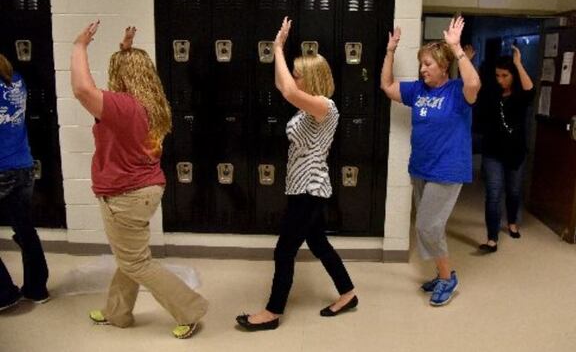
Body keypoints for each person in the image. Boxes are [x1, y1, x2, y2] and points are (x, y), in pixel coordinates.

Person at [70, 22, 208, 339]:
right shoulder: (151, 103)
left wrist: (79, 47)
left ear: (121, 75)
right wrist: (126, 51)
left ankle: (190, 309)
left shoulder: (123, 107)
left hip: (124, 195)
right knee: (129, 257)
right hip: (146, 189)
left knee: (137, 262)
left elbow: (81, 89)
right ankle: (117, 313)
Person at [236, 17, 357, 331]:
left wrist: (278, 49)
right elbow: (283, 85)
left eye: (299, 73)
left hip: (310, 189)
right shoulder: (308, 108)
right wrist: (278, 47)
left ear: (312, 78)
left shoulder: (324, 107)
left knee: (284, 250)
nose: (293, 77)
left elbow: (287, 89)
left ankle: (272, 312)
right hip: (301, 187)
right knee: (318, 244)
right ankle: (348, 293)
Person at [380, 17, 481, 306]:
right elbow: (387, 86)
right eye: (421, 64)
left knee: (428, 226)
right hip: (421, 168)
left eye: (428, 64)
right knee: (428, 225)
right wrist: (390, 51)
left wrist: (456, 48)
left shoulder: (458, 92)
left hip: (448, 170)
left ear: (443, 66)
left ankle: (448, 278)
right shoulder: (418, 91)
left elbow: (475, 82)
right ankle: (441, 272)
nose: (423, 69)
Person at [0, 54, 50, 311]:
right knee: (25, 229)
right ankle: (36, 288)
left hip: (2, 169)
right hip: (23, 165)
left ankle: (4, 293)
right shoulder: (16, 81)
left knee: (25, 229)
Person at [478, 46, 534, 254]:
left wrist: (518, 64)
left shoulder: (520, 96)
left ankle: (512, 222)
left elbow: (530, 91)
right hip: (493, 150)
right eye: (497, 75)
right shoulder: (491, 93)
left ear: (513, 75)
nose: (501, 79)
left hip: (516, 151)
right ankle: (492, 238)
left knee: (514, 191)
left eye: (505, 75)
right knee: (493, 193)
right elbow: (474, 89)